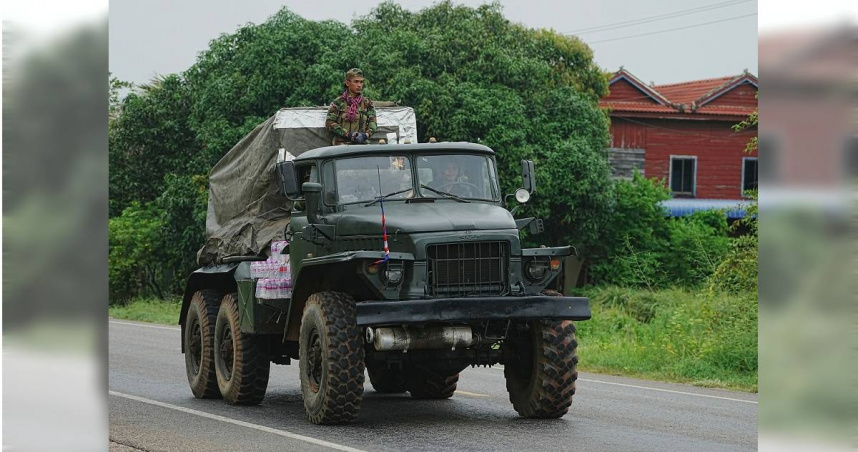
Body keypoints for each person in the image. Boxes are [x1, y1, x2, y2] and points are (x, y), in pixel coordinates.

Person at [325, 68, 377, 146]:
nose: (359, 85)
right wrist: (348, 134)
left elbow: (373, 123)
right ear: (347, 83)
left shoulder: (367, 103)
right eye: (356, 81)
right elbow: (329, 123)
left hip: (362, 144)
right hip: (342, 145)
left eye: (361, 82)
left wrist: (366, 135)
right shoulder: (339, 102)